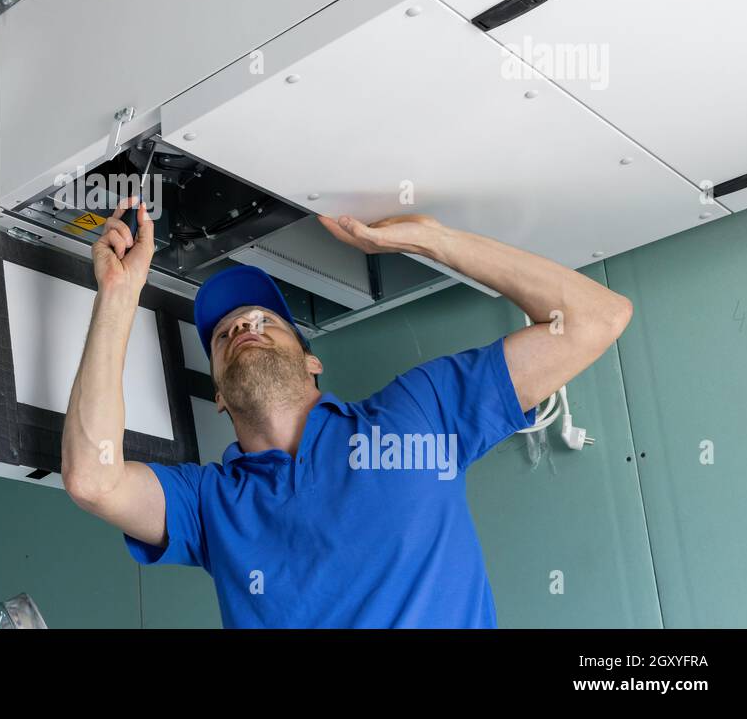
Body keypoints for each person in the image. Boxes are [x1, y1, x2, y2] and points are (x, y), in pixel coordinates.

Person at [61, 197, 633, 627]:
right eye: (226, 334)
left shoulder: (417, 414)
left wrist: (433, 242)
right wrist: (116, 294)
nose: (243, 325)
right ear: (219, 394)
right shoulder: (208, 507)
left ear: (312, 362)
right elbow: (93, 478)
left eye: (264, 320)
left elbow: (595, 318)